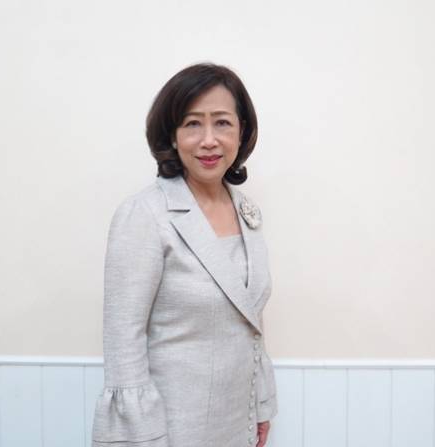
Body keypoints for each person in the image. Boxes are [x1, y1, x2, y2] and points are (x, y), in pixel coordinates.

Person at [91, 62, 278, 447]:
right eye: (193, 124)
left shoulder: (246, 210)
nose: (209, 140)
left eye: (222, 123)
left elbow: (251, 324)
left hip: (238, 425)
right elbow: (124, 342)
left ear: (241, 131)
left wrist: (260, 405)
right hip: (172, 429)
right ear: (172, 136)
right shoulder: (145, 214)